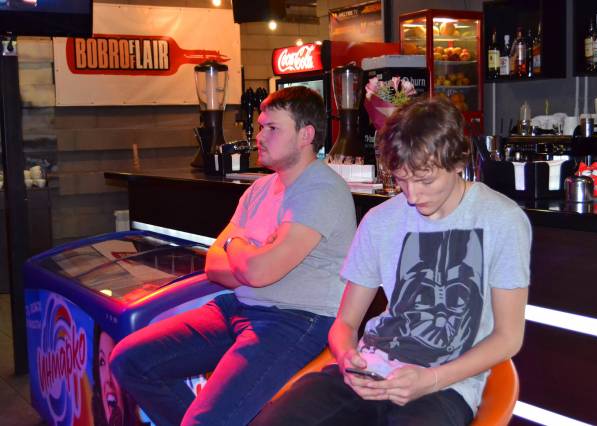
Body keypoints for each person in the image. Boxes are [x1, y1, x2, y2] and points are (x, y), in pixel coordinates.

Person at [252, 97, 532, 426]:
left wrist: (431, 379)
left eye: (425, 180)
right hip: (371, 370)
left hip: (444, 386)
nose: (412, 195)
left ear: (458, 161)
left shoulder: (502, 219)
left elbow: (509, 337)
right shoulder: (380, 220)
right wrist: (347, 358)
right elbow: (345, 324)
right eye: (401, 179)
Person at [109, 86, 357, 426]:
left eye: (273, 128)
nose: (260, 136)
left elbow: (259, 272)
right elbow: (214, 264)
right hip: (237, 307)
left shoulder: (322, 189)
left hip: (295, 320)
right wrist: (250, 256)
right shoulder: (260, 188)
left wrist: (237, 245)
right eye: (261, 126)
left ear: (306, 135)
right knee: (129, 360)